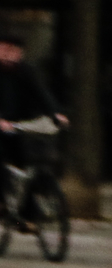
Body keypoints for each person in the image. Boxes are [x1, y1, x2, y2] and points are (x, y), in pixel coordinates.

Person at [0, 33, 66, 175]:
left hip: (18, 124)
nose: (8, 55)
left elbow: (42, 93)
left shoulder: (26, 71)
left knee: (24, 162)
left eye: (13, 51)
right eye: (5, 50)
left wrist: (56, 113)